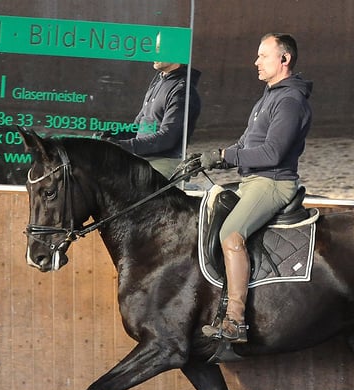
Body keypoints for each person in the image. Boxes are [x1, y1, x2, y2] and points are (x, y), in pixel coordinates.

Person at [199, 33, 313, 344]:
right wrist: (213, 159)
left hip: (273, 182)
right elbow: (247, 144)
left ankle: (235, 320)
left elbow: (272, 154)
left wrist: (227, 156)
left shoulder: (290, 101)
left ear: (284, 59)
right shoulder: (268, 97)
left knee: (231, 234)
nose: (256, 62)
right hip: (252, 179)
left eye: (263, 56)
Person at [106, 61, 201, 179]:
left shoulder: (183, 91)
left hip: (166, 161)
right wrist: (112, 136)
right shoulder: (159, 83)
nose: (156, 55)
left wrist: (123, 146)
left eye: (161, 50)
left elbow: (167, 138)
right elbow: (138, 127)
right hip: (143, 157)